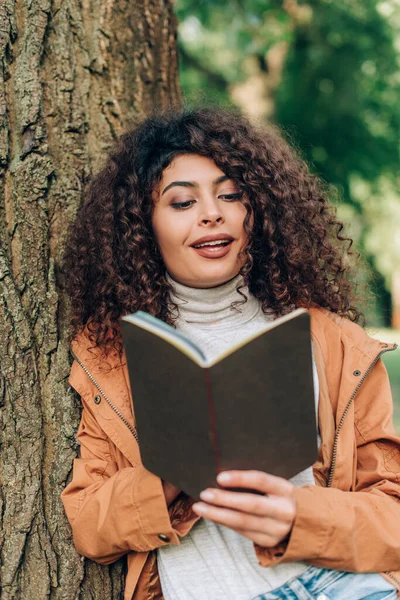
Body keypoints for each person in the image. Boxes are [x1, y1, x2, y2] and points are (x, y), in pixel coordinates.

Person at [61, 106, 400, 600]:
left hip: (340, 586)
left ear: (257, 210)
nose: (211, 213)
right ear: (142, 226)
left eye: (231, 195)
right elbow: (90, 524)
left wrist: (297, 517)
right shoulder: (112, 356)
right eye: (181, 202)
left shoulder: (333, 339)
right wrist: (172, 473)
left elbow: (392, 515)